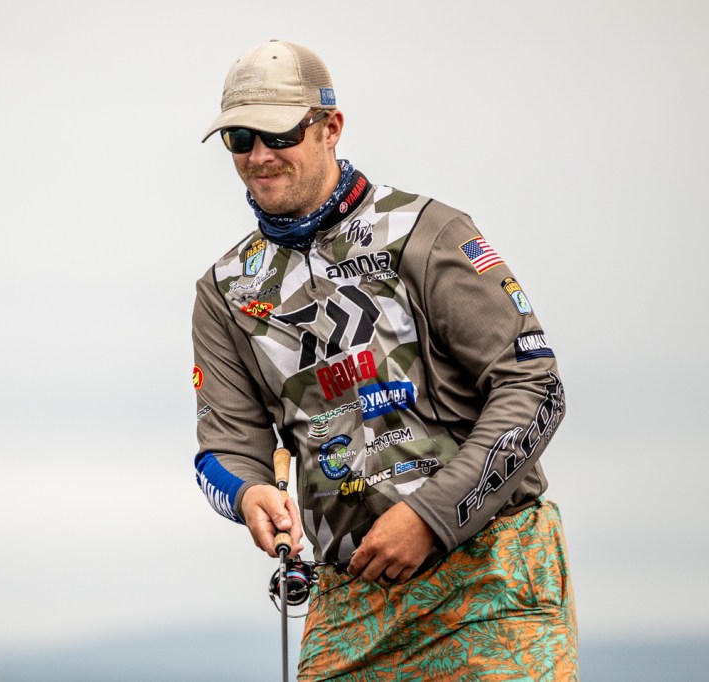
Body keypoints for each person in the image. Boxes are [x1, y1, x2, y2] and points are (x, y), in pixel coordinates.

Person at [191, 39, 577, 680]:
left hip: (492, 577)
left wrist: (430, 517)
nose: (259, 156)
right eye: (239, 138)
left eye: (280, 134)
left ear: (330, 127)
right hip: (350, 598)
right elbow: (224, 449)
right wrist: (250, 492)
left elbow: (536, 387)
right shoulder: (224, 290)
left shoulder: (428, 232)